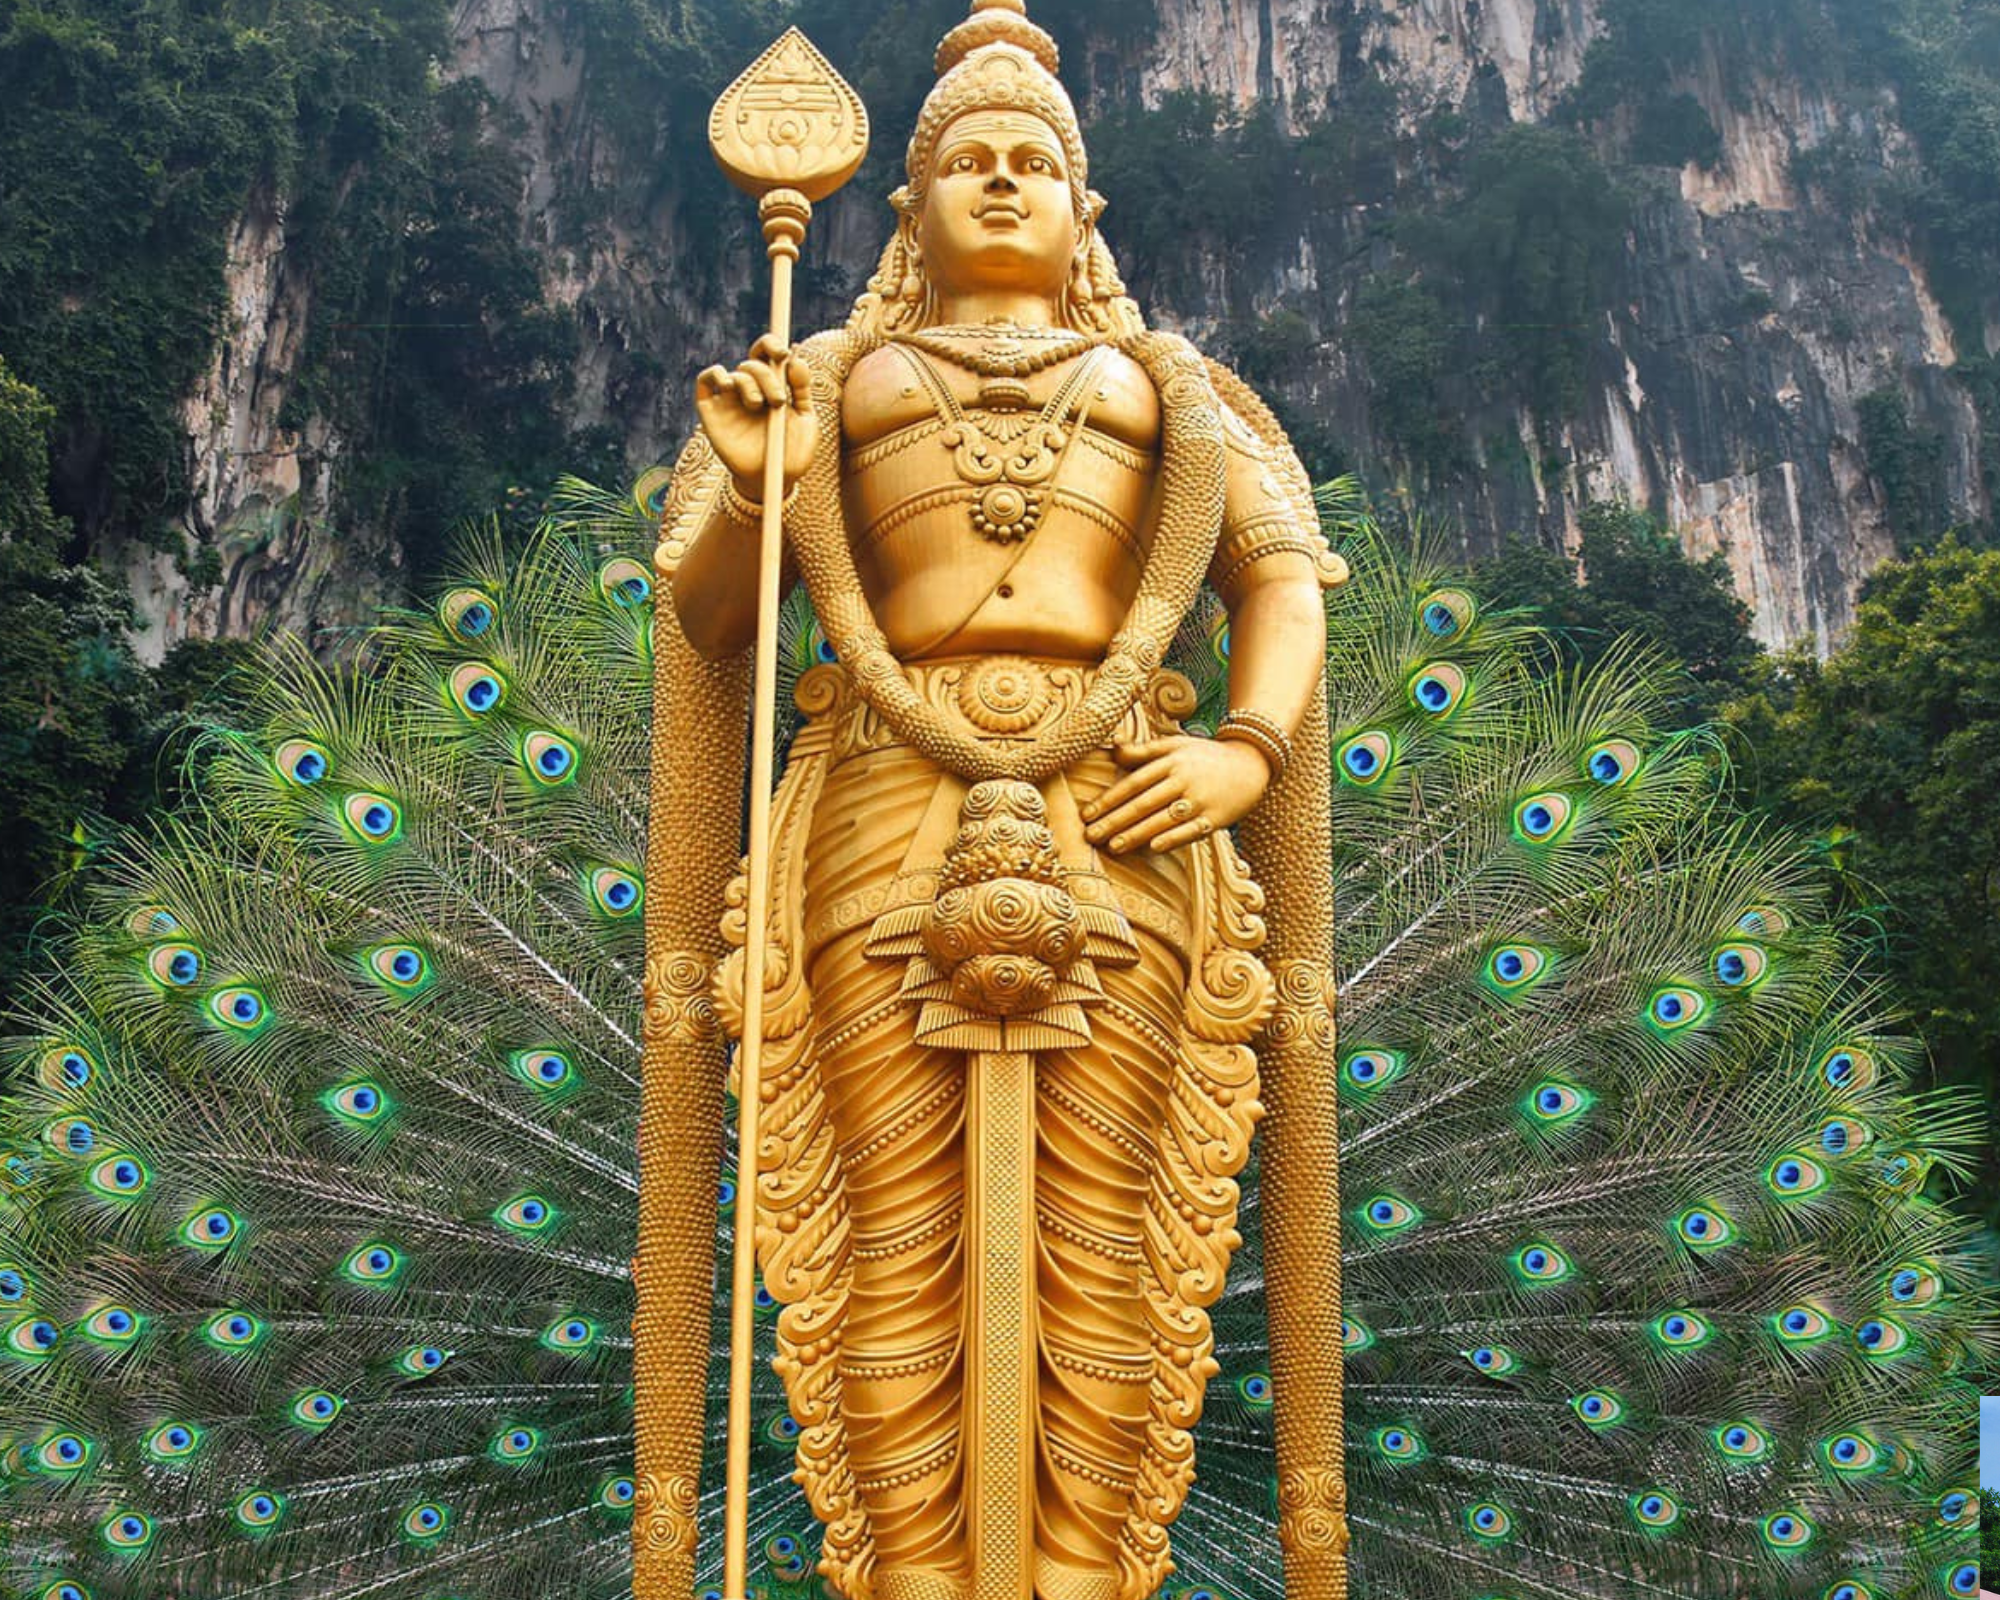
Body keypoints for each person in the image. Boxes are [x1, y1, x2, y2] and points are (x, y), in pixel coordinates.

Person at [659, 3, 1346, 1595]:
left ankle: (1090, 1576)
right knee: (888, 1242)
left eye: (1035, 161)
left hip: (1125, 809)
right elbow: (708, 621)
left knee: (1112, 1249)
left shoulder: (1169, 391)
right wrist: (755, 482)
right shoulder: (825, 376)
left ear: (1083, 211)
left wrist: (1245, 745)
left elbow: (1283, 576)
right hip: (878, 808)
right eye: (965, 159)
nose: (1000, 180)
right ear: (906, 210)